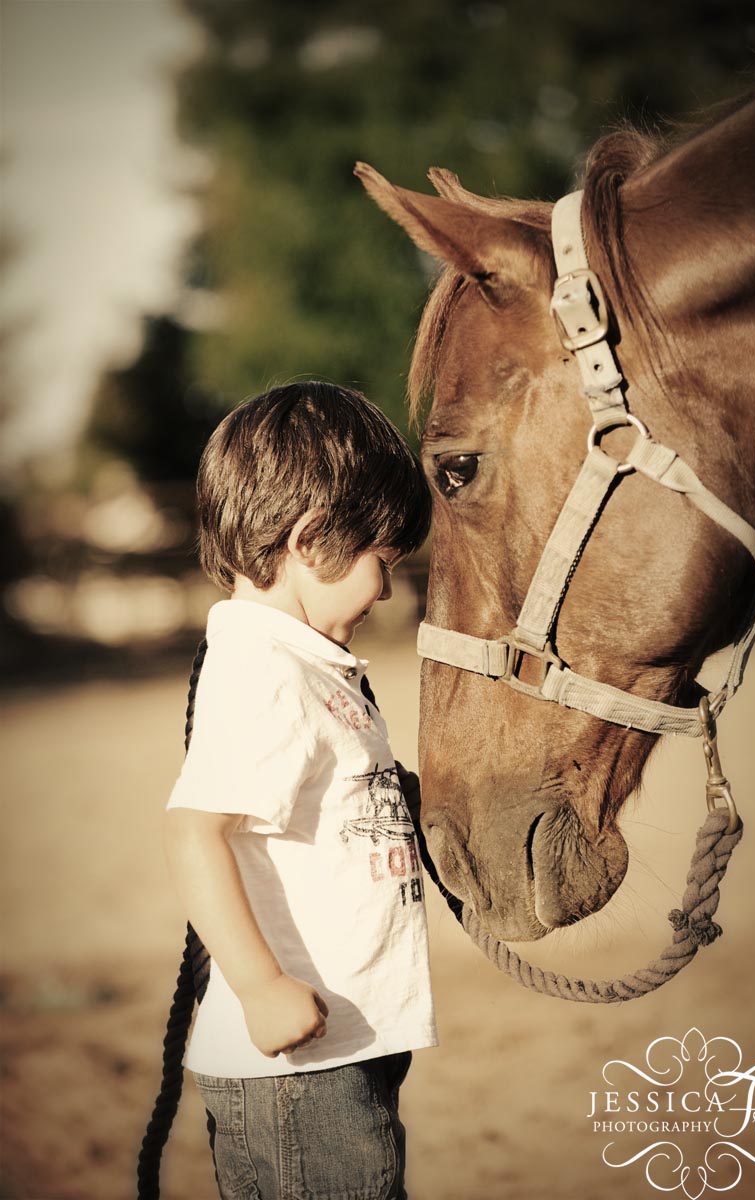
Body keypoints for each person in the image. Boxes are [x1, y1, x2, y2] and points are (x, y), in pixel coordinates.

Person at [163, 381, 437, 1200]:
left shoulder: (305, 664)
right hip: (297, 1068)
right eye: (380, 563)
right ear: (313, 540)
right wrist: (260, 987)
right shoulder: (268, 671)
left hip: (339, 1050)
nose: (385, 591)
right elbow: (194, 833)